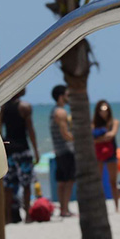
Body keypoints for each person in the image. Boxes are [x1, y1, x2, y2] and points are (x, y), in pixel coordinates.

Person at [0, 88, 38, 222]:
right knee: (26, 184)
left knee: (8, 186)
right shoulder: (25, 107)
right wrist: (36, 151)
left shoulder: (3, 108)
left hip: (9, 150)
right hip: (22, 149)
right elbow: (30, 131)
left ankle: (8, 217)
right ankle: (27, 216)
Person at [49, 84, 76, 217]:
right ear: (61, 97)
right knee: (68, 181)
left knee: (62, 181)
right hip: (66, 150)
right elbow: (65, 134)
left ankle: (63, 209)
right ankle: (65, 209)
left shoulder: (54, 111)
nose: (68, 97)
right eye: (67, 95)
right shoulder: (61, 112)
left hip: (59, 150)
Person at [92, 99, 120, 212]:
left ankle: (117, 207)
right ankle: (100, 206)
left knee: (113, 182)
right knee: (98, 182)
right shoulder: (93, 123)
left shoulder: (114, 122)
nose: (104, 112)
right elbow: (92, 140)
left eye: (106, 110)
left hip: (111, 153)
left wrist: (99, 138)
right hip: (98, 154)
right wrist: (103, 138)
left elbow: (112, 135)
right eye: (101, 110)